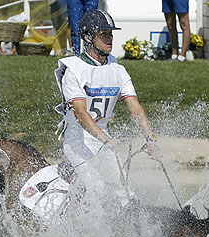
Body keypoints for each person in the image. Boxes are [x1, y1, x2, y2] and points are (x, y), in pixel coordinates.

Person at [54, 9, 160, 209]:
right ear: (87, 37)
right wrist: (106, 140)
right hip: (78, 142)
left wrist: (150, 139)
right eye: (103, 34)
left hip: (104, 142)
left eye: (110, 33)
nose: (109, 38)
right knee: (100, 191)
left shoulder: (117, 69)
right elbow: (80, 114)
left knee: (127, 195)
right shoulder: (73, 70)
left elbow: (135, 108)